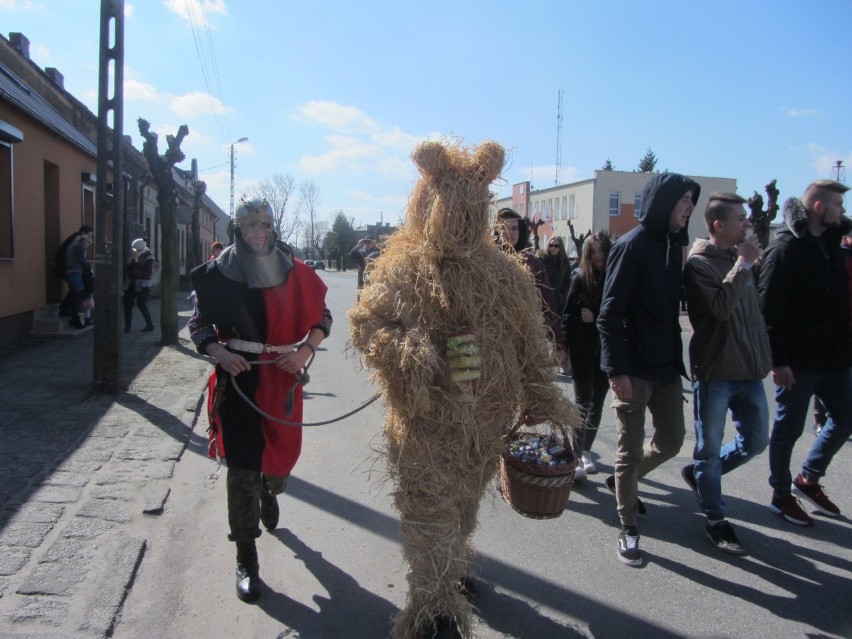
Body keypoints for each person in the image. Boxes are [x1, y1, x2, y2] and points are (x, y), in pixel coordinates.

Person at [189, 199, 331, 603]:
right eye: (250, 226)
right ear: (239, 228)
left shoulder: (294, 269)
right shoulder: (218, 273)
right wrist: (220, 352)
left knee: (279, 462)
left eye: (264, 225)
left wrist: (304, 352)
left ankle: (270, 491)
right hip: (239, 379)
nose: (258, 233)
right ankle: (246, 558)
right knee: (243, 468)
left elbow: (324, 319)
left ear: (272, 227)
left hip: (282, 379)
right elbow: (198, 323)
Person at [597, 172, 700, 566]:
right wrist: (616, 370)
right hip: (633, 369)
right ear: (664, 203)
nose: (690, 208)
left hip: (665, 367)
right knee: (628, 449)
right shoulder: (632, 245)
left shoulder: (675, 246)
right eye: (684, 201)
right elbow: (609, 316)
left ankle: (626, 482)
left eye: (693, 201)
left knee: (672, 441)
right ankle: (627, 527)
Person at [681, 193, 771, 554]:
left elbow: (751, 312)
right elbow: (718, 309)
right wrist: (743, 266)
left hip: (749, 369)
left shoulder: (741, 260)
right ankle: (716, 519)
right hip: (717, 370)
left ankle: (702, 478)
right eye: (739, 219)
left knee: (756, 441)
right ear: (718, 225)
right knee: (709, 449)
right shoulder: (699, 264)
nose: (746, 224)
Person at [758, 179, 852, 526]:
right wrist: (778, 360)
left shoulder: (832, 245)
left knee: (845, 418)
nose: (842, 211)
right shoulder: (786, 249)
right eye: (838, 205)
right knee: (789, 429)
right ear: (818, 207)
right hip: (797, 363)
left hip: (836, 360)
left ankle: (808, 477)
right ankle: (781, 494)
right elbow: (768, 310)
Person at [563, 230, 612, 480]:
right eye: (593, 252)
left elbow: (617, 316)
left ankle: (586, 451)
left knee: (597, 404)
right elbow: (568, 318)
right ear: (587, 255)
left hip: (606, 354)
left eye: (602, 251)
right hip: (583, 352)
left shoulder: (615, 278)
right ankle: (575, 454)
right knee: (583, 404)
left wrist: (594, 319)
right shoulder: (580, 279)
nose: (598, 256)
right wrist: (563, 348)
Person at [496, 208, 566, 366]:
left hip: (525, 340)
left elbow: (547, 304)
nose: (510, 233)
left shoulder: (533, 262)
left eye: (514, 228)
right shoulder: (485, 262)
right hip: (493, 341)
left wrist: (558, 343)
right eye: (503, 228)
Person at [55, 224, 93, 321]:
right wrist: (87, 268)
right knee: (78, 292)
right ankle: (70, 313)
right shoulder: (78, 242)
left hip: (64, 267)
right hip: (69, 269)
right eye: (89, 236)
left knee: (75, 291)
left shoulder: (74, 238)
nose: (90, 239)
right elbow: (79, 259)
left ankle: (66, 309)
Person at [123, 238, 156, 333]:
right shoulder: (134, 255)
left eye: (135, 248)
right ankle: (127, 326)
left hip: (143, 284)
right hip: (131, 283)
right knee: (128, 305)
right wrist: (128, 264)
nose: (134, 250)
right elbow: (128, 270)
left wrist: (137, 262)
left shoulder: (149, 256)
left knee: (141, 304)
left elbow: (147, 271)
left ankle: (150, 325)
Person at [538, 235, 572, 321]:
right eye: (551, 245)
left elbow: (567, 281)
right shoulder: (542, 260)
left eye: (556, 246)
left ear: (561, 247)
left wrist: (563, 298)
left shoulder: (565, 262)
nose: (553, 248)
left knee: (556, 326)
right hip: (544, 300)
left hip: (558, 302)